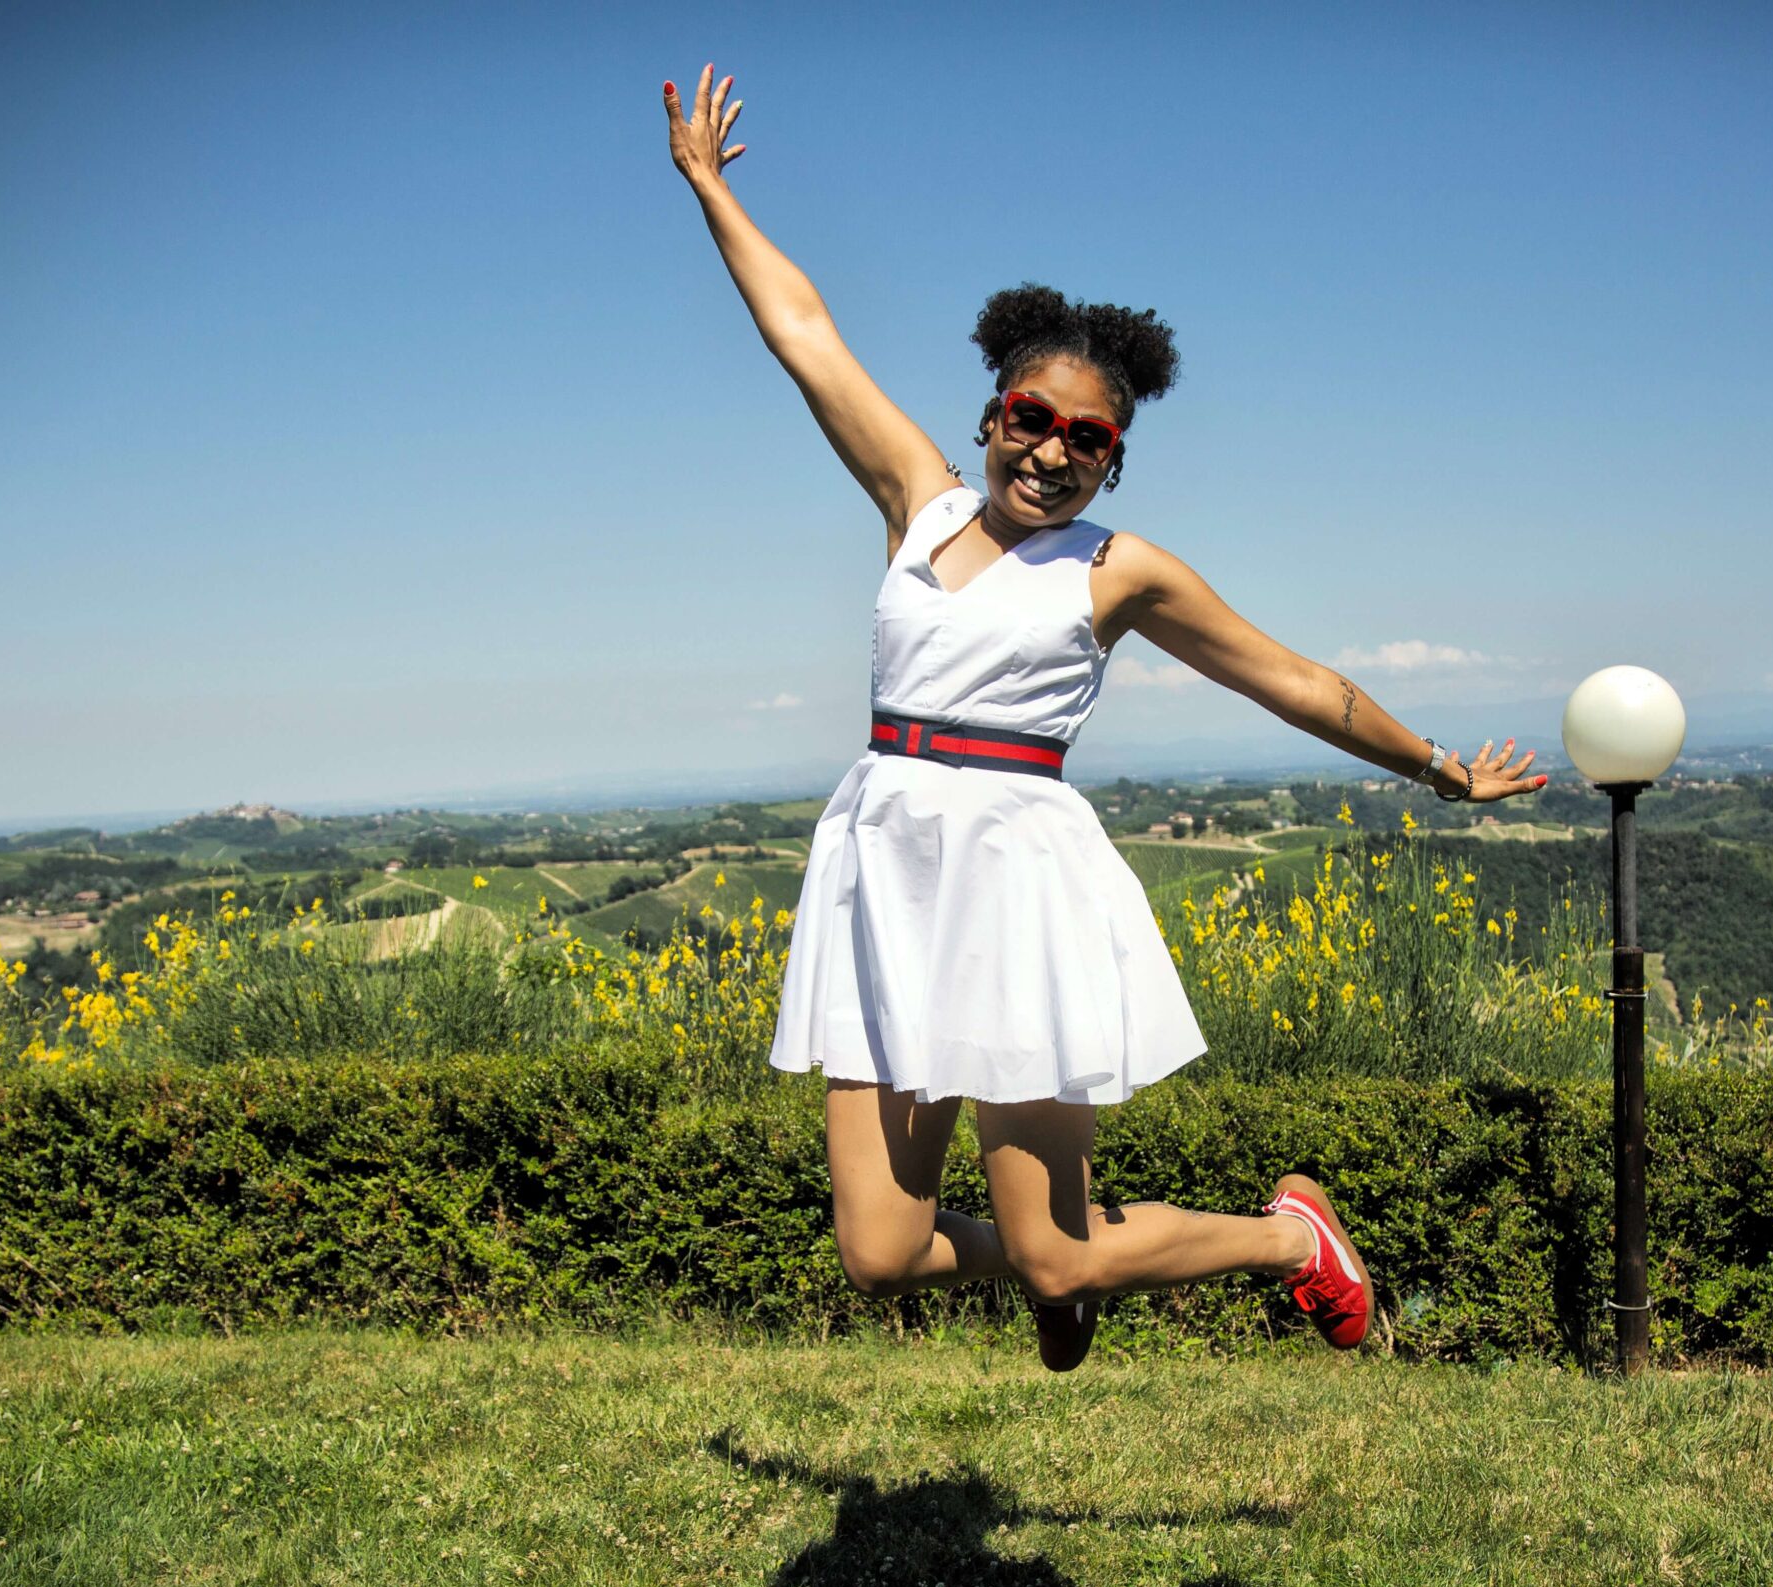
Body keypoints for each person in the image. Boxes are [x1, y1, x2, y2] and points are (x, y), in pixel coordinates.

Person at [663, 65, 1546, 1371]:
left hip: (1016, 884)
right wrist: (711, 191)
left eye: (1089, 439)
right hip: (885, 873)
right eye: (1033, 419)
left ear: (1111, 460)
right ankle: (1056, 1268)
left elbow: (1290, 677)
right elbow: (805, 333)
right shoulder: (920, 501)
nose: (1054, 449)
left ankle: (1293, 1241)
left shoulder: (1118, 570)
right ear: (991, 415)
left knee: (1060, 1250)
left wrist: (1431, 768)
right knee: (878, 1254)